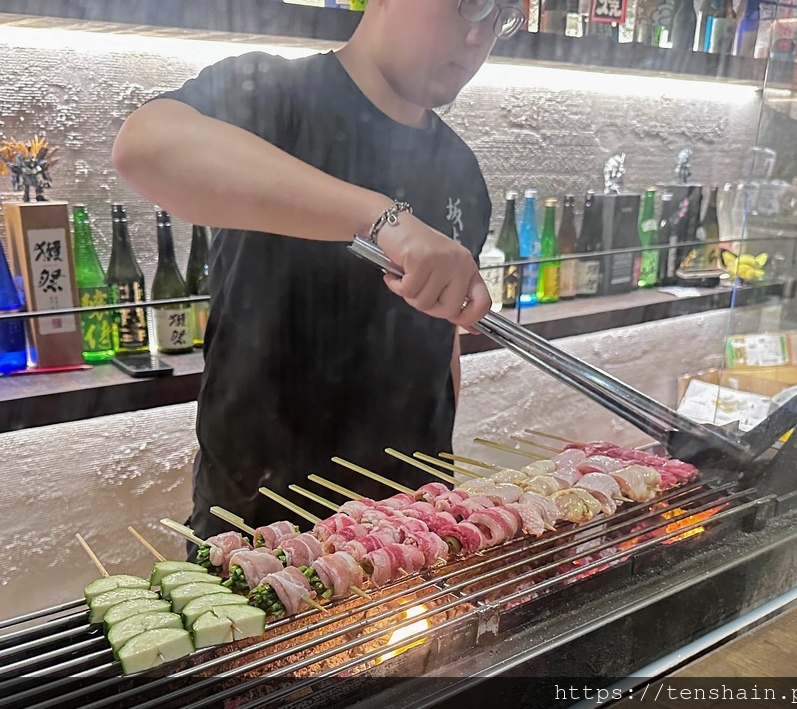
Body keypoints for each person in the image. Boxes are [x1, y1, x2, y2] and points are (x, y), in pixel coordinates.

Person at [112, 0, 526, 542]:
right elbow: (145, 147)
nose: (482, 37)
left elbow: (440, 342)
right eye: (471, 5)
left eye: (505, 16)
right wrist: (381, 219)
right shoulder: (274, 95)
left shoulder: (462, 170)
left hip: (414, 521)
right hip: (263, 519)